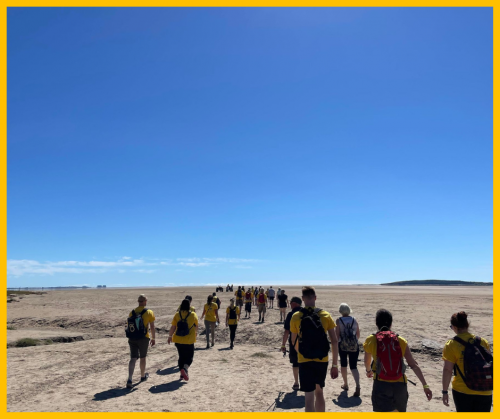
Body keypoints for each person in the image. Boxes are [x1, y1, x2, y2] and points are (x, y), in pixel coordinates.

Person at [363, 309, 432, 412]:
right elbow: (413, 365)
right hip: (400, 385)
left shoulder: (371, 340)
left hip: (381, 384)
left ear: (376, 323)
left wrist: (368, 371)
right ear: (391, 324)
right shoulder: (401, 340)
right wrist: (425, 385)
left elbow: (367, 361)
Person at [290, 286, 339, 412]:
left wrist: (301, 352)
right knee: (319, 393)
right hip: (321, 359)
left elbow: (293, 340)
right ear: (315, 298)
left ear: (303, 299)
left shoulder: (296, 316)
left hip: (304, 360)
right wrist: (334, 364)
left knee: (308, 397)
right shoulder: (325, 315)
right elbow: (334, 341)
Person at [441, 311, 492, 412]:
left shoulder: (451, 344)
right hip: (485, 389)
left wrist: (445, 391)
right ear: (467, 325)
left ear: (455, 327)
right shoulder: (482, 341)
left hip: (462, 390)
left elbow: (447, 370)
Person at [126, 294, 156, 389]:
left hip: (132, 338)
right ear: (145, 301)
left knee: (133, 358)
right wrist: (153, 338)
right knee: (143, 357)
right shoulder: (149, 312)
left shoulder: (132, 312)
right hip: (143, 337)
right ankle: (142, 376)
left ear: (138, 302)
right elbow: (151, 327)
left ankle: (130, 379)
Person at [168, 299, 198, 381]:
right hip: (189, 340)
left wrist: (170, 336)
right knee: (190, 357)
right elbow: (196, 325)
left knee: (181, 357)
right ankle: (185, 368)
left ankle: (182, 374)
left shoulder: (177, 315)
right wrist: (195, 333)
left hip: (178, 339)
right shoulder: (193, 315)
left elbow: (173, 327)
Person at [335, 303, 361, 397]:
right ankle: (358, 386)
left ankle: (346, 384)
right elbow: (358, 334)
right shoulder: (354, 319)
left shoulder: (339, 320)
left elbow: (336, 335)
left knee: (343, 364)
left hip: (343, 345)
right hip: (354, 345)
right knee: (354, 366)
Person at [281, 296, 302, 391]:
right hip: (307, 341)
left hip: (295, 341)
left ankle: (296, 383)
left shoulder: (291, 314)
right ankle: (306, 382)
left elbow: (287, 331)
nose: (290, 304)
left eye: (291, 303)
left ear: (295, 303)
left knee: (295, 363)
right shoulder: (306, 312)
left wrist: (283, 344)